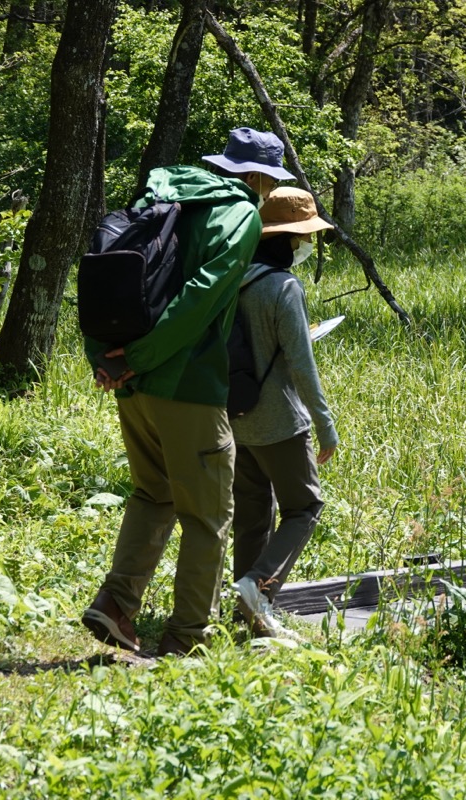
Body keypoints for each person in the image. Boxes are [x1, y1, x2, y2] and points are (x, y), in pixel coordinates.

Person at [80, 128, 293, 657]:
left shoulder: (160, 194)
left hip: (132, 386)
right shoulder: (239, 214)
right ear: (259, 176)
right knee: (207, 515)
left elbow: (108, 272)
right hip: (188, 387)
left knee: (153, 494)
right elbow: (201, 298)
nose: (267, 192)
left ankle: (116, 605)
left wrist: (108, 359)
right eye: (269, 182)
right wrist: (141, 358)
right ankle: (186, 638)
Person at [228, 186, 339, 638]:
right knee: (305, 506)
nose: (307, 246)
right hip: (280, 420)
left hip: (236, 415)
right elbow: (300, 362)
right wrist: (325, 424)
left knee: (253, 514)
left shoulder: (234, 278)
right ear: (291, 241)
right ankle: (257, 586)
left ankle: (247, 615)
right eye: (304, 239)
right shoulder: (284, 286)